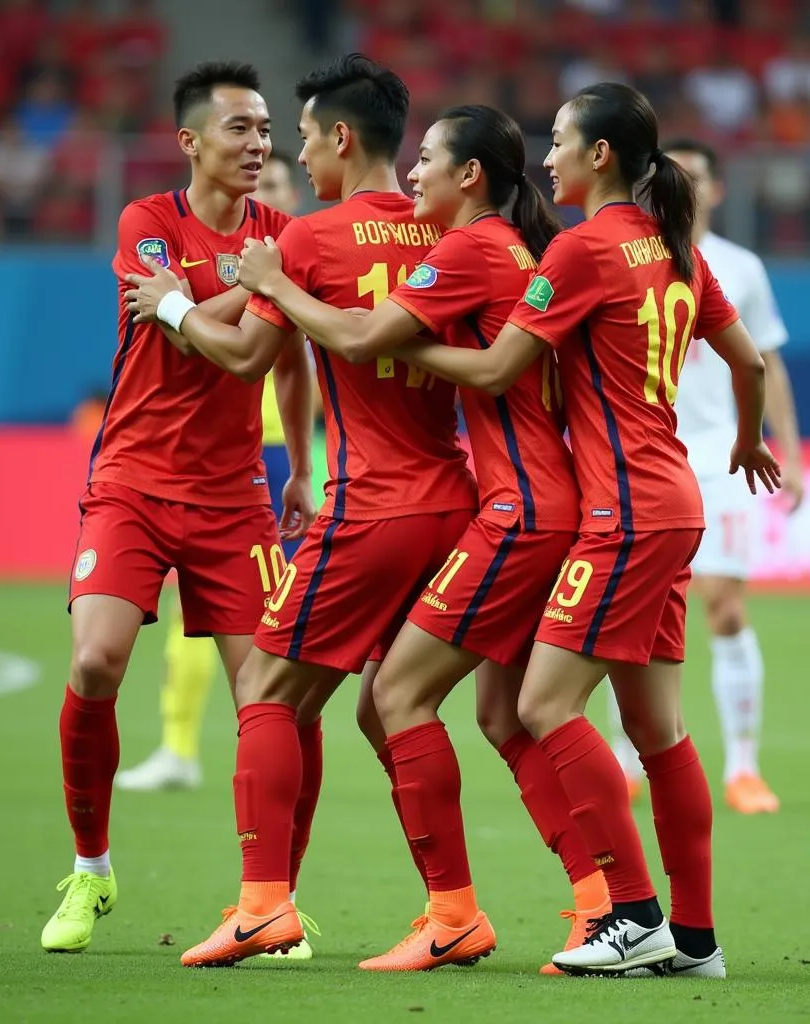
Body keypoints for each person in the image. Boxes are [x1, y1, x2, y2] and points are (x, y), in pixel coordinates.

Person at [391, 83, 780, 977]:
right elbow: (750, 360)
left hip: (623, 514)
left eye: (561, 141)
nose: (550, 156)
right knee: (660, 730)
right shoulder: (675, 248)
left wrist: (401, 346)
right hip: (676, 500)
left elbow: (493, 368)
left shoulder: (582, 250)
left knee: (541, 704)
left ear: (600, 155)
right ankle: (694, 938)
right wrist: (750, 441)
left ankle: (633, 916)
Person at [123, 53, 478, 969]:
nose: (299, 156)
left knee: (269, 693)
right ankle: (465, 909)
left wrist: (169, 303)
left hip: (372, 512)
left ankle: (263, 906)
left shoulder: (315, 241)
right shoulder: (456, 237)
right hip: (463, 504)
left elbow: (242, 359)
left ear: (343, 137)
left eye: (308, 137)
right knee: (397, 707)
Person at [243, 104, 615, 973]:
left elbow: (364, 335)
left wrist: (274, 281)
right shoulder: (512, 250)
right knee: (511, 714)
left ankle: (454, 914)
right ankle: (606, 906)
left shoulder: (473, 248)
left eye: (431, 163)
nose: (416, 176)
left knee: (391, 700)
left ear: (470, 175)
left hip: (516, 510)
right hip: (523, 500)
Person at [40, 61, 316, 955]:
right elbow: (184, 323)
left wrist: (303, 466)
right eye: (240, 128)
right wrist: (257, 285)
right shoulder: (147, 223)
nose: (260, 143)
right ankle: (91, 871)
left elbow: (268, 357)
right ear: (191, 140)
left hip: (235, 497)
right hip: (130, 480)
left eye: (267, 129)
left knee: (271, 699)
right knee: (94, 664)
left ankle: (272, 902)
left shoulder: (284, 233)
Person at [607, 138, 803, 814]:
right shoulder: (628, 252)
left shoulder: (740, 268)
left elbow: (766, 362)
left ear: (716, 189)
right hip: (639, 454)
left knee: (722, 602)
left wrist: (790, 452)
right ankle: (626, 755)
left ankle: (743, 767)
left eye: (692, 176)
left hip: (723, 457)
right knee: (627, 611)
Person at [115, 149, 315, 796]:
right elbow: (181, 330)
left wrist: (306, 466)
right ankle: (179, 743)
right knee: (188, 611)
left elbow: (288, 366)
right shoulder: (240, 257)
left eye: (284, 184)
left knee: (272, 627)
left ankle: (274, 751)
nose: (273, 195)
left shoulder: (289, 255)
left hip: (271, 454)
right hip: (212, 455)